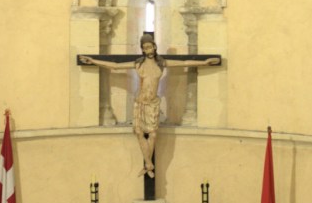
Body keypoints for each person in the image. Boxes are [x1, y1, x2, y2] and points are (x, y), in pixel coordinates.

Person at [80, 33, 219, 178]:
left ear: (154, 47)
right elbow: (115, 66)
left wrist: (205, 63)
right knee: (139, 133)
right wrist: (93, 61)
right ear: (143, 50)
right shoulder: (138, 64)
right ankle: (149, 164)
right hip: (141, 103)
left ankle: (148, 165)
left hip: (153, 104)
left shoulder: (161, 64)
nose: (148, 50)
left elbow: (184, 63)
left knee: (153, 134)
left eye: (150, 46)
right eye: (145, 48)